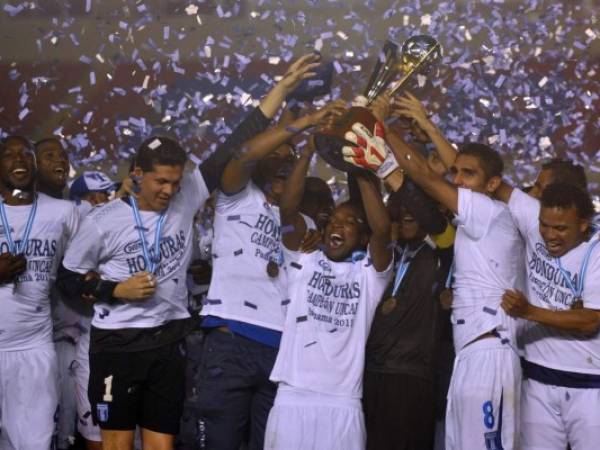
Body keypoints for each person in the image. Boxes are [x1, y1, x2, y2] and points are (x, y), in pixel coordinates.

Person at [57, 54, 324, 450]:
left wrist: (282, 90)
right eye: (160, 182)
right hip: (117, 344)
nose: (168, 190)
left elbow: (235, 144)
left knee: (162, 445)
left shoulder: (188, 194)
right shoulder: (103, 220)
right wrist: (115, 291)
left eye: (174, 181)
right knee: (115, 444)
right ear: (137, 174)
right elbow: (66, 281)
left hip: (167, 342)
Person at [342, 95, 524, 450]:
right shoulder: (468, 226)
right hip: (469, 354)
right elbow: (427, 205)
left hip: (490, 352)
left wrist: (382, 129)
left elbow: (425, 178)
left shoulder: (491, 214)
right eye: (455, 172)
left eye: (466, 174)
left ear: (491, 185)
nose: (456, 179)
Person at [195, 86, 343, 447]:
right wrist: (303, 122)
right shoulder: (235, 197)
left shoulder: (302, 224)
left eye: (288, 158)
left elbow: (292, 208)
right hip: (230, 340)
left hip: (280, 351)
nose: (282, 160)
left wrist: (307, 147)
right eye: (274, 154)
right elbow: (244, 154)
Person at [263, 133, 393, 450]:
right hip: (292, 396)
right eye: (334, 220)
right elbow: (289, 211)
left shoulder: (369, 277)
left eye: (349, 222)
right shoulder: (305, 259)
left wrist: (361, 168)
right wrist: (308, 151)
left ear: (362, 236)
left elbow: (382, 230)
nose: (337, 225)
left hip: (342, 401)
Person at [496, 180, 600, 449]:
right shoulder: (536, 217)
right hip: (537, 380)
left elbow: (590, 321)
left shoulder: (597, 252)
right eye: (545, 225)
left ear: (583, 224)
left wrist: (529, 312)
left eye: (560, 228)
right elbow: (491, 180)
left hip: (589, 385)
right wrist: (432, 135)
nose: (549, 234)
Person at [0, 135, 79, 450]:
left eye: (26, 154)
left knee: (35, 443)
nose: (19, 160)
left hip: (35, 347)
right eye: (9, 154)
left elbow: (79, 270)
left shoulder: (62, 212)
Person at [363, 188, 446, 450]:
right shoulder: (388, 251)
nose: (407, 214)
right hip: (373, 372)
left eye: (416, 209)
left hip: (413, 376)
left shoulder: (442, 254)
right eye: (402, 208)